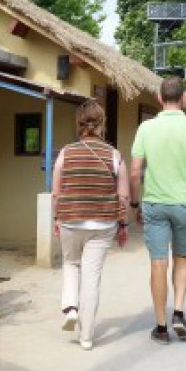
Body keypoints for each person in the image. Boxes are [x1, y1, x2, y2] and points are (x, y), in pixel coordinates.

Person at [130, 76, 186, 345]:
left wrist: (135, 202)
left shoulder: (146, 128)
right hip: (185, 203)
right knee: (182, 259)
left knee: (158, 262)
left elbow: (134, 172)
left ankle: (161, 326)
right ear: (183, 97)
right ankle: (178, 312)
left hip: (154, 202)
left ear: (159, 98)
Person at [52, 100, 129, 351]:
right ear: (102, 124)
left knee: (71, 263)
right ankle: (86, 336)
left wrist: (56, 218)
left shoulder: (66, 152)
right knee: (92, 278)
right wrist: (124, 225)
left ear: (79, 124)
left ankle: (71, 307)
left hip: (70, 219)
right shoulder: (114, 155)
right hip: (103, 223)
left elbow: (56, 192)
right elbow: (124, 196)